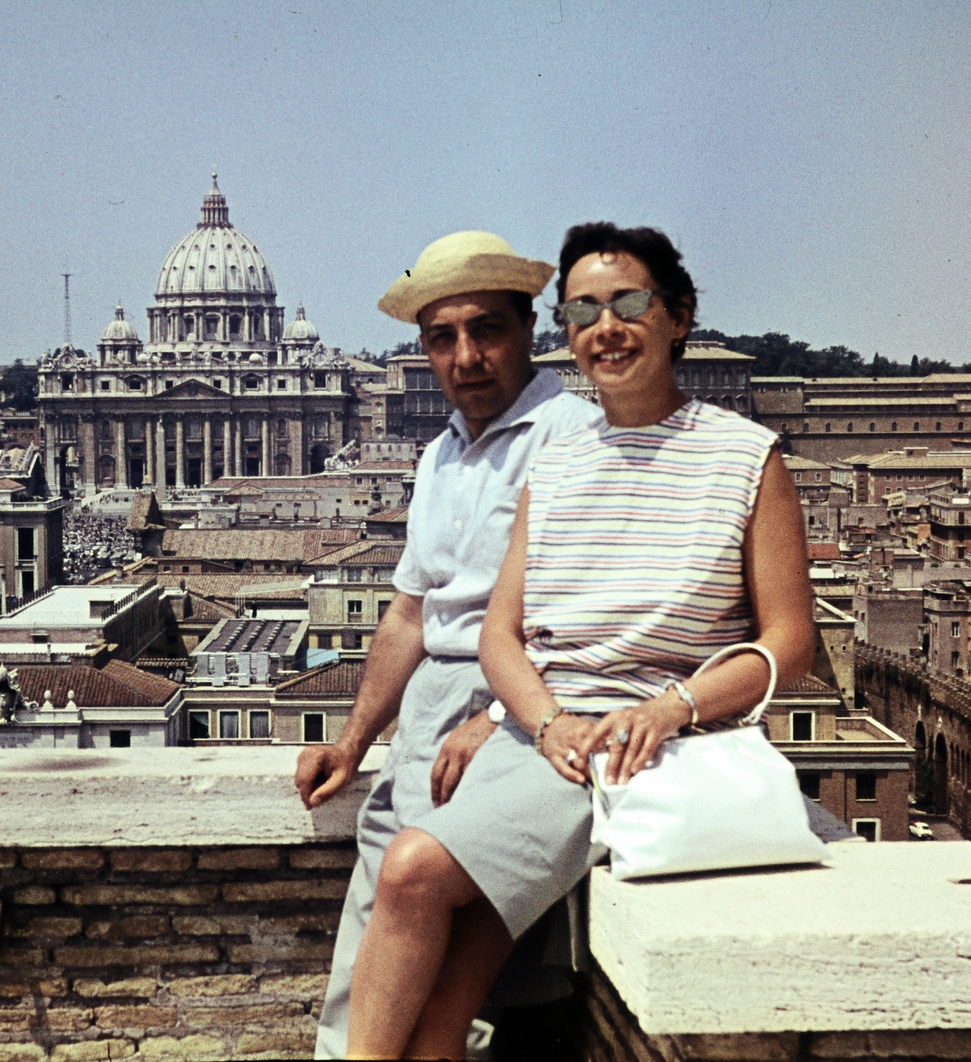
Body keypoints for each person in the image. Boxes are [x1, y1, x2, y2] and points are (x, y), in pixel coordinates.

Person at [341, 222, 817, 1059]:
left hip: (667, 741)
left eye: (630, 303)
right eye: (585, 310)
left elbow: (790, 642)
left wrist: (673, 708)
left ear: (678, 316)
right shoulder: (556, 460)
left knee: (414, 870)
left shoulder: (750, 456)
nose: (607, 326)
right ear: (565, 331)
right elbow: (502, 631)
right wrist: (543, 721)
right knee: (439, 1029)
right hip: (554, 742)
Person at [295, 230, 598, 1060]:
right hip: (430, 710)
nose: (465, 356)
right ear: (422, 349)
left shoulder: (573, 435)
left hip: (515, 707)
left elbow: (585, 608)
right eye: (442, 337)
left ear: (529, 328)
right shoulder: (437, 455)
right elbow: (405, 615)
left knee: (443, 985)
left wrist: (504, 715)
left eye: (486, 329)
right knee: (378, 936)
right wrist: (354, 739)